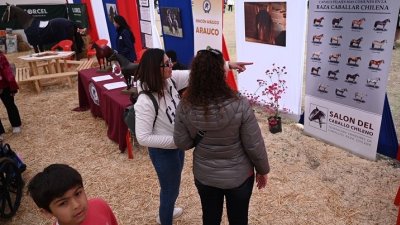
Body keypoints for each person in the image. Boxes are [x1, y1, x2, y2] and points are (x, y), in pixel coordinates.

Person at [134, 48, 251, 225]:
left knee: (173, 186)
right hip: (164, 152)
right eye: (166, 64)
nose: (171, 65)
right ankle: (165, 218)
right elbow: (143, 137)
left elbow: (197, 73)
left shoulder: (170, 80)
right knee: (169, 190)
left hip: (177, 145)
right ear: (154, 69)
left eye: (170, 61)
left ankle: (169, 208)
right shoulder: (145, 101)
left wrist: (228, 65)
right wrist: (176, 141)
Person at [173, 47, 270, 225]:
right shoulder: (239, 103)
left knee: (210, 218)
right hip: (239, 177)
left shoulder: (185, 105)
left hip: (205, 176)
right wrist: (263, 170)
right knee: (239, 219)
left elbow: (182, 142)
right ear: (223, 74)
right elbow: (254, 144)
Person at [27, 164, 118, 225]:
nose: (76, 205)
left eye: (78, 193)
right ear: (47, 212)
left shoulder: (99, 205)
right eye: (62, 203)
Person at [0, 51, 22, 139]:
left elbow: (7, 72)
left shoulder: (1, 57)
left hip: (4, 86)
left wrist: (12, 86)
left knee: (10, 105)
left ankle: (16, 124)